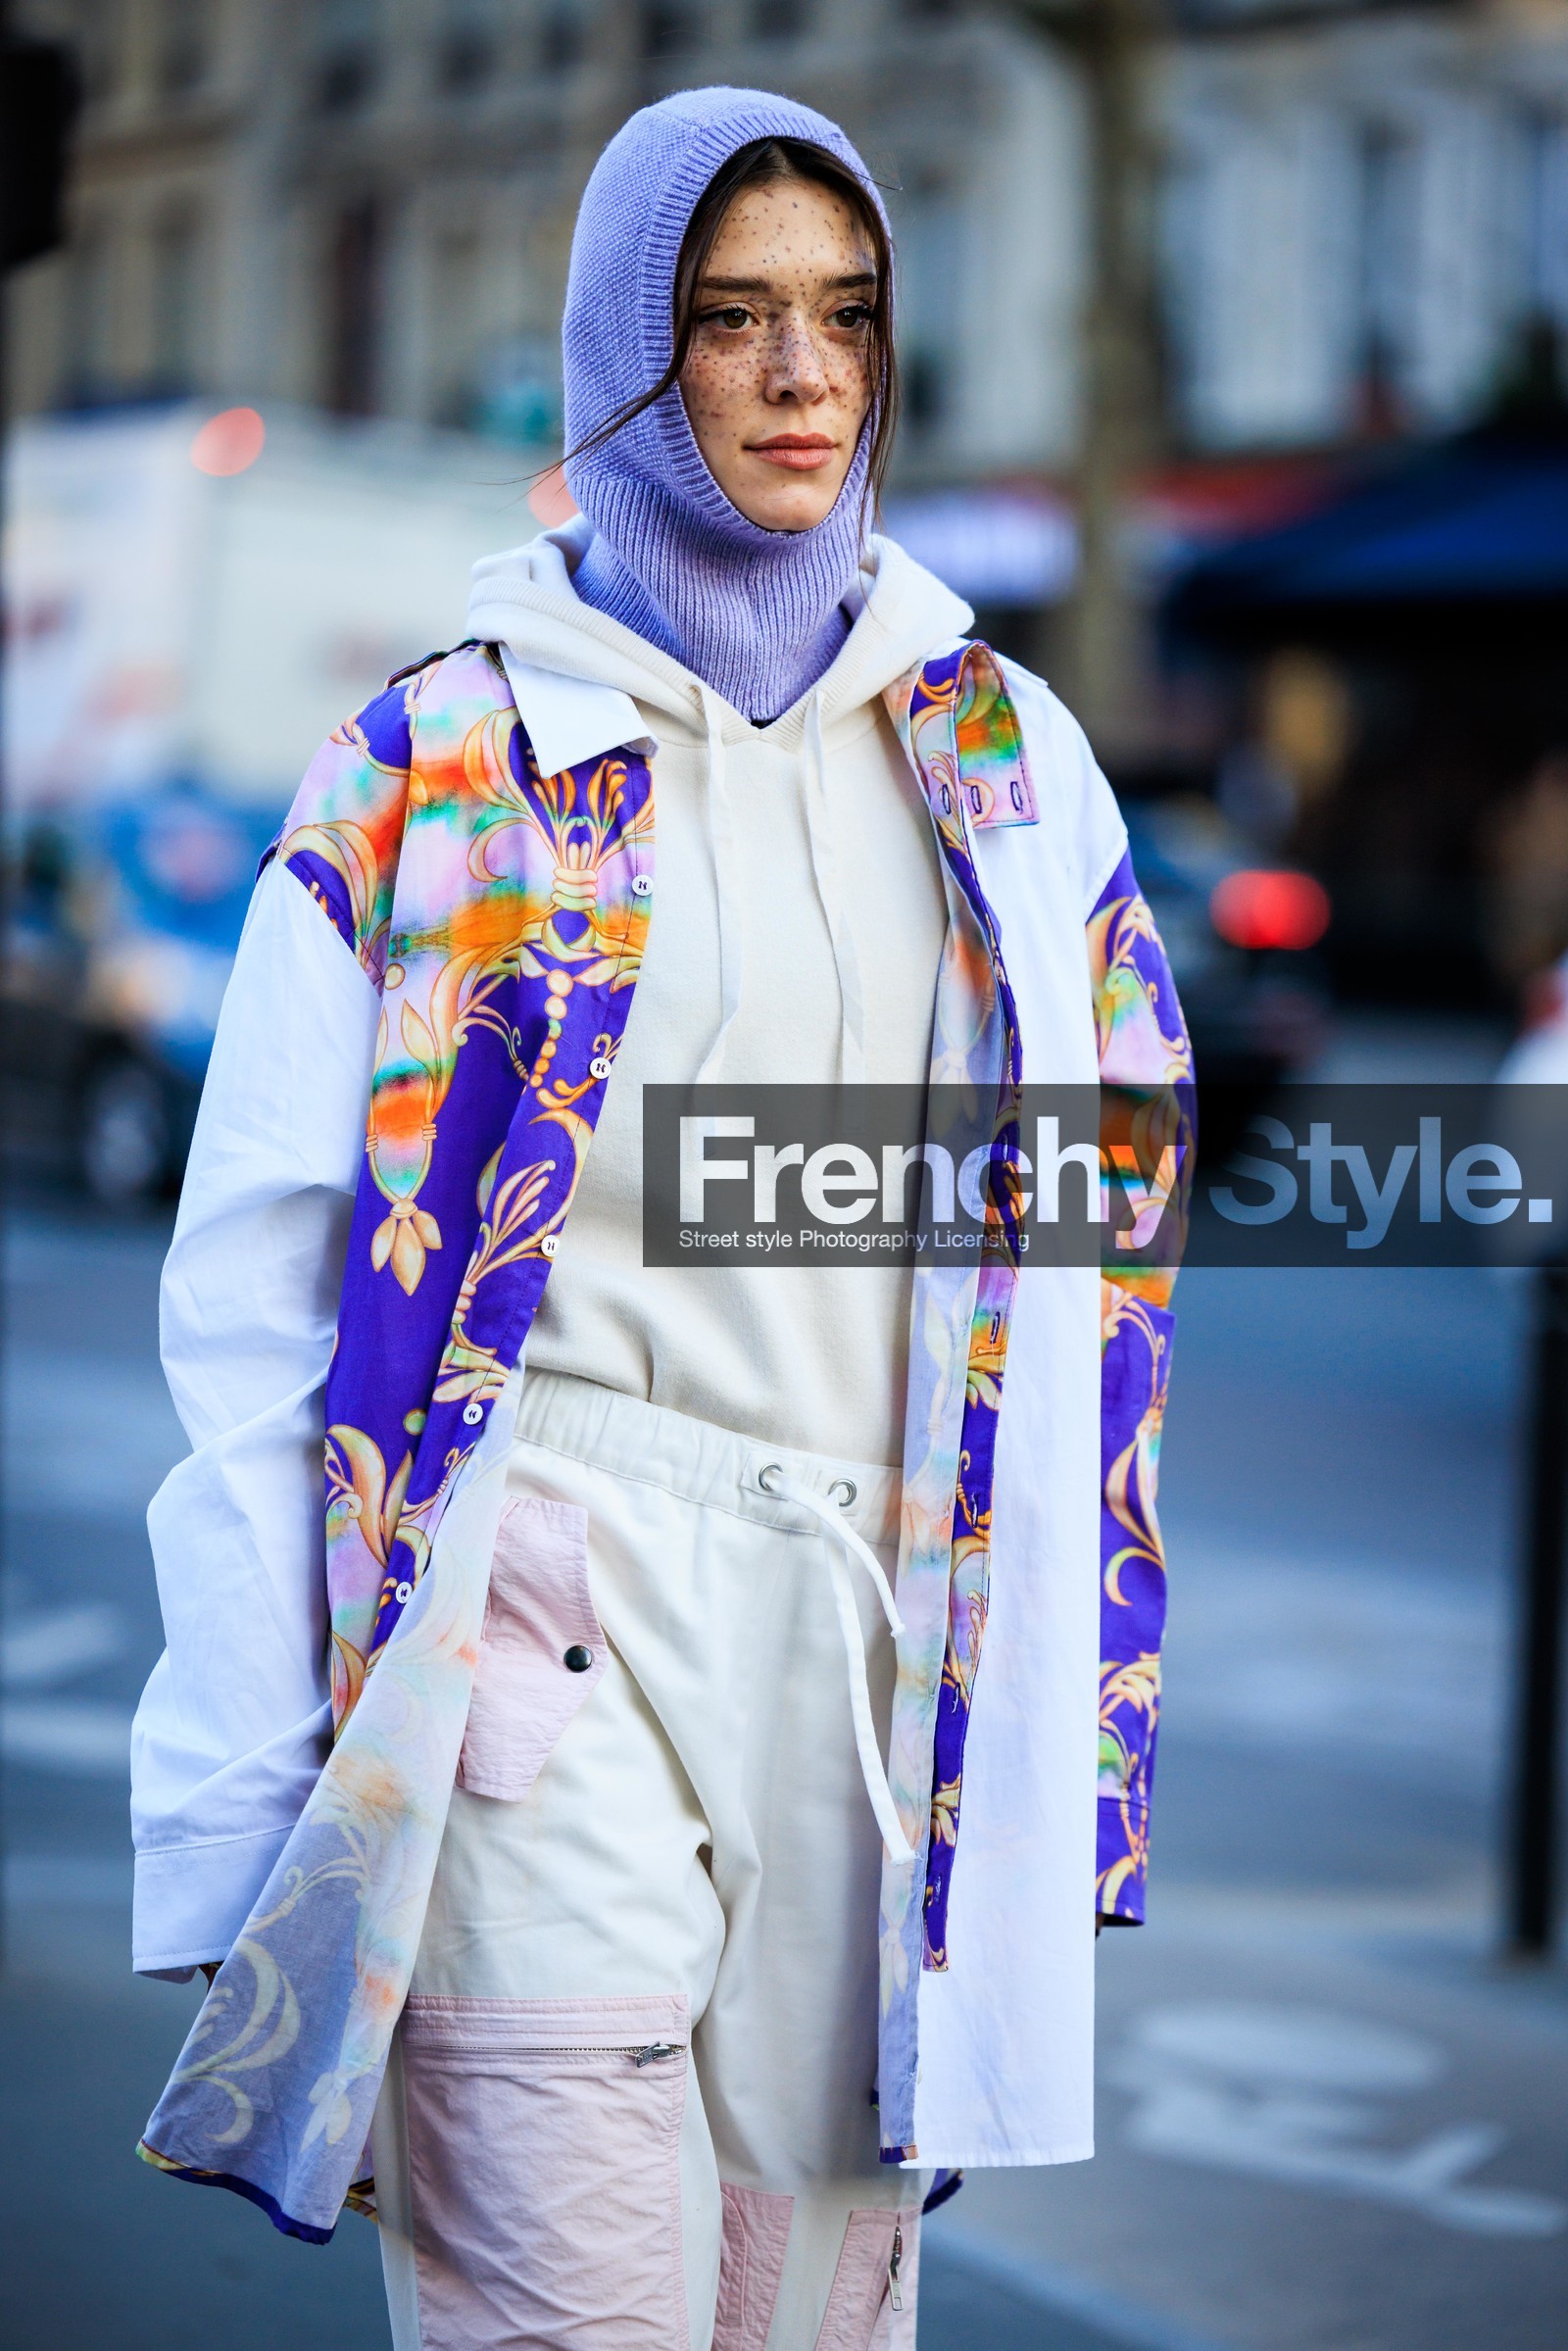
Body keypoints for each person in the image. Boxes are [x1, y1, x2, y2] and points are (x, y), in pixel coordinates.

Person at [129, 86, 1191, 2351]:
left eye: (844, 316)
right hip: (543, 1609)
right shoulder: (435, 759)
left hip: (876, 1639)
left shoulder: (1008, 760)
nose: (801, 375)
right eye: (728, 319)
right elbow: (253, 1293)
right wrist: (233, 1775)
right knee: (569, 2317)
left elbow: (1112, 1267)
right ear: (632, 350)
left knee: (806, 2317)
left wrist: (1072, 1726)